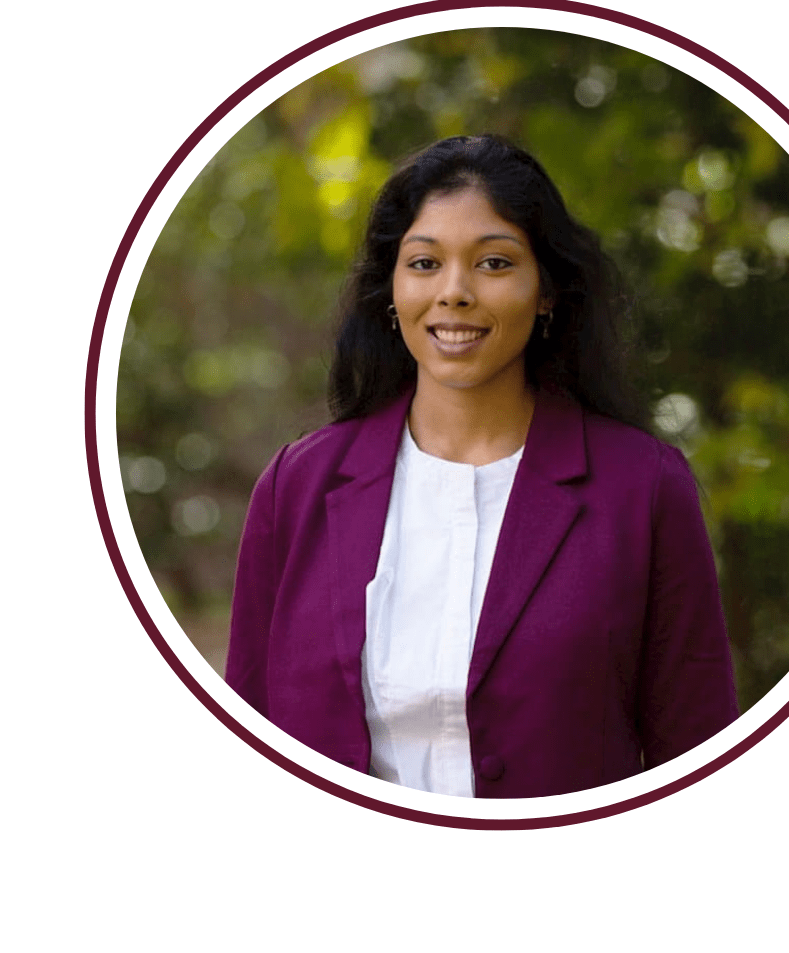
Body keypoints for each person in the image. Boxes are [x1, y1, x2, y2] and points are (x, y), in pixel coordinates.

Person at [225, 135, 738, 799]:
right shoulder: (298, 485)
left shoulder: (641, 489)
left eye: (494, 263)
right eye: (425, 263)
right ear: (391, 288)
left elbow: (695, 754)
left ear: (546, 290)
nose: (455, 293)